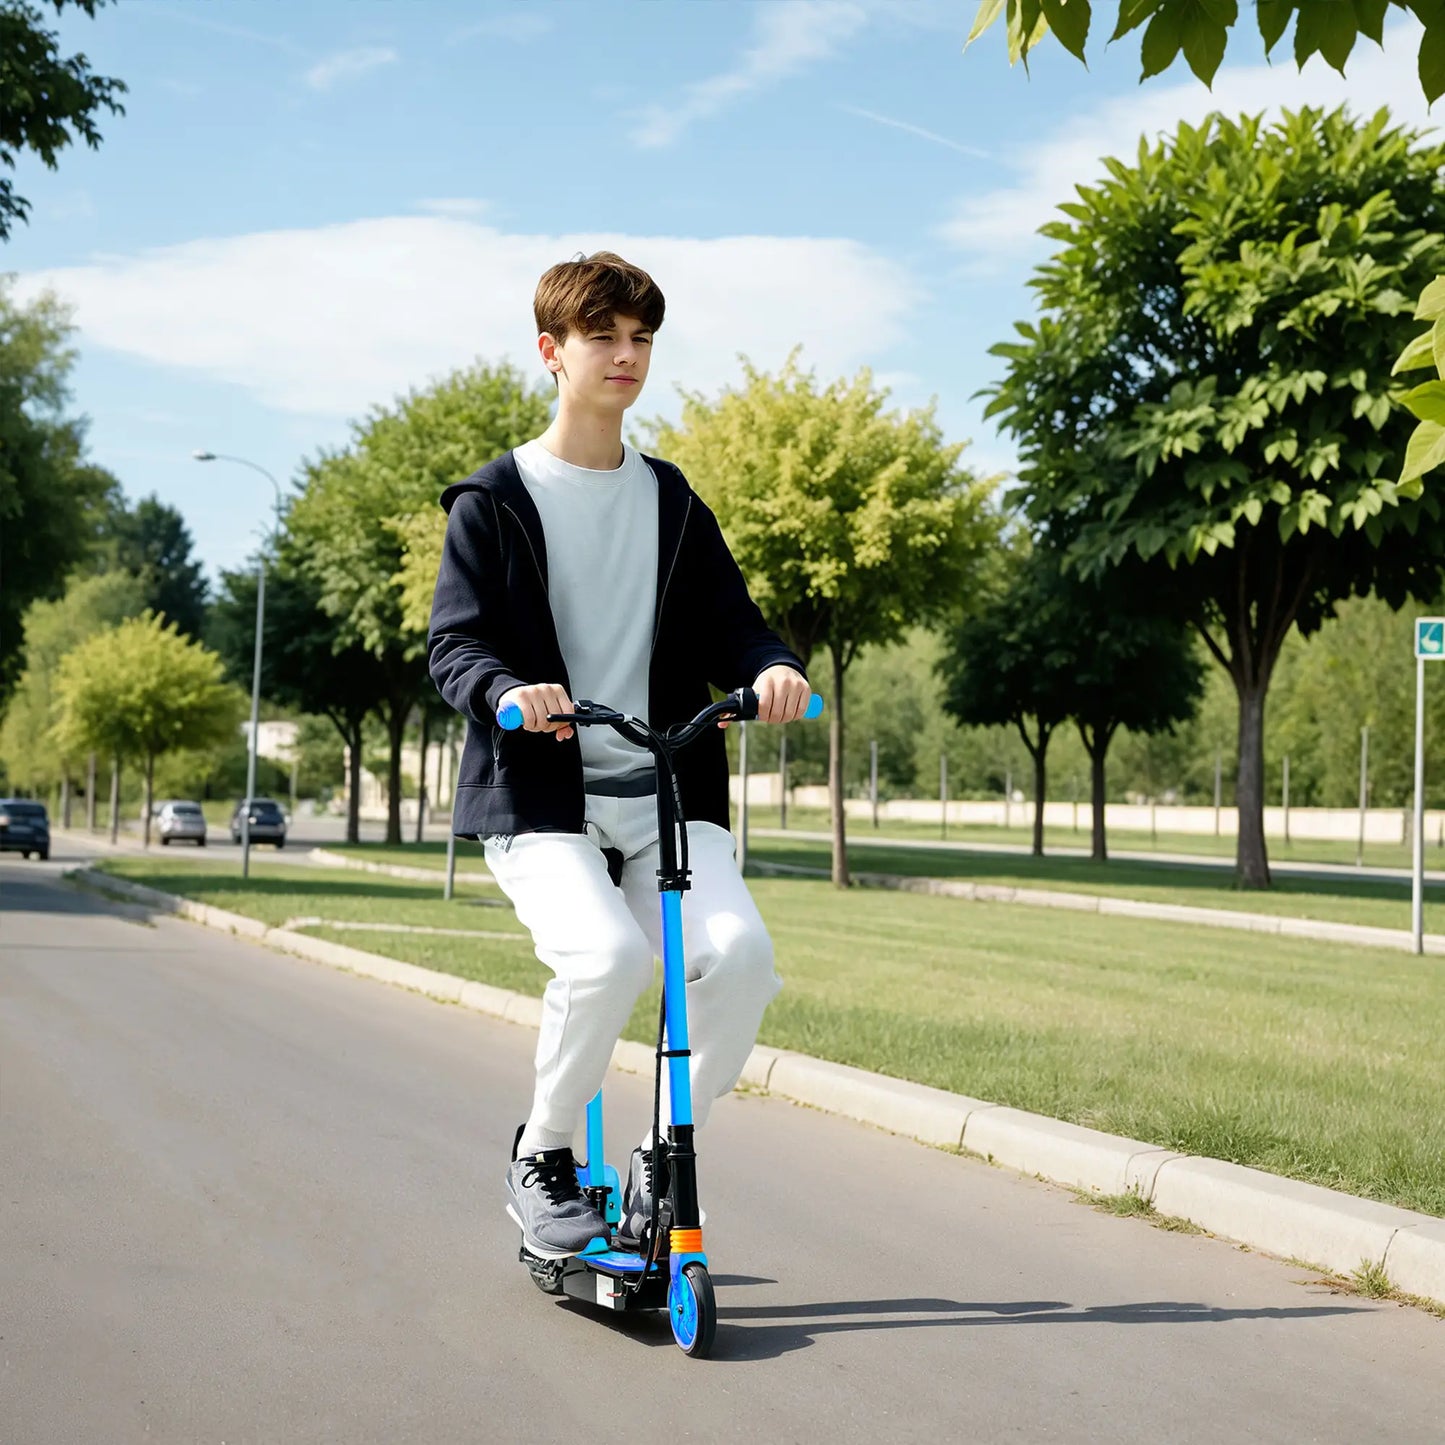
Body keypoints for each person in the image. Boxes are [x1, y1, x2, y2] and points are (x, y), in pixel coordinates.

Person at [427, 251, 810, 1260]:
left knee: (738, 958)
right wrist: (507, 692)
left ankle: (661, 1158)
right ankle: (542, 1156)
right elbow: (453, 645)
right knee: (604, 958)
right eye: (604, 336)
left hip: (664, 792)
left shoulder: (672, 501)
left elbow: (739, 627)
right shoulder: (494, 499)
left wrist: (772, 670)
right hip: (538, 796)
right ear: (552, 352)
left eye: (641, 337)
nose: (627, 354)